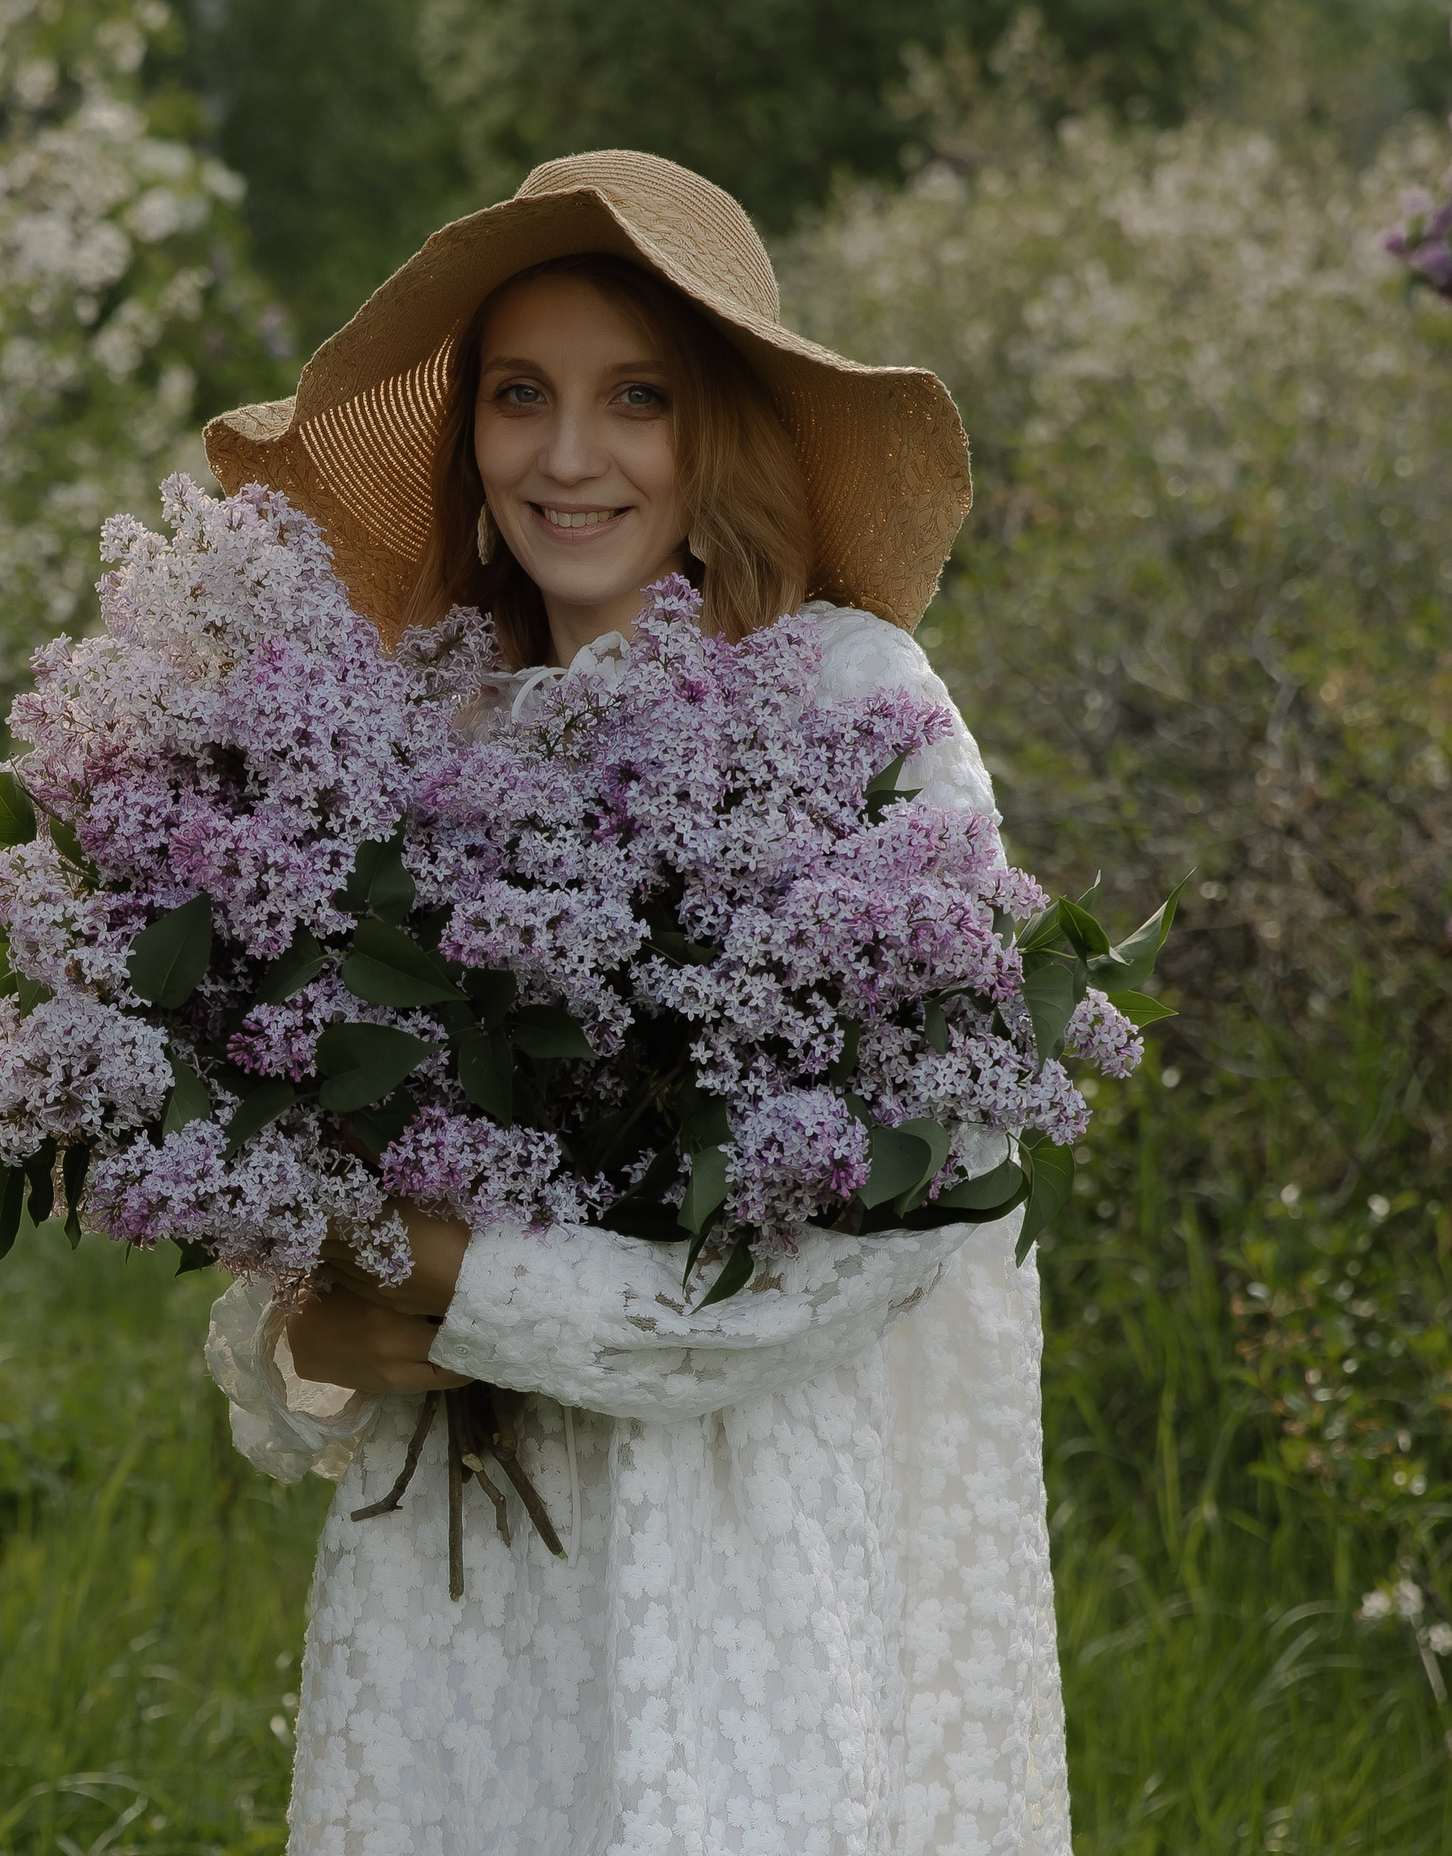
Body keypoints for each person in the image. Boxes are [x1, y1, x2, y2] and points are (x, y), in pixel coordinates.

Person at [198, 152, 1068, 1854]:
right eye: (521, 398)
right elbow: (303, 1216)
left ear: (719, 426)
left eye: (635, 399)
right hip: (455, 1605)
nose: (568, 456)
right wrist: (299, 1326)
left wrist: (461, 1277)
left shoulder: (854, 708)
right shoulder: (414, 737)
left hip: (739, 1561)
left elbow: (880, 1249)